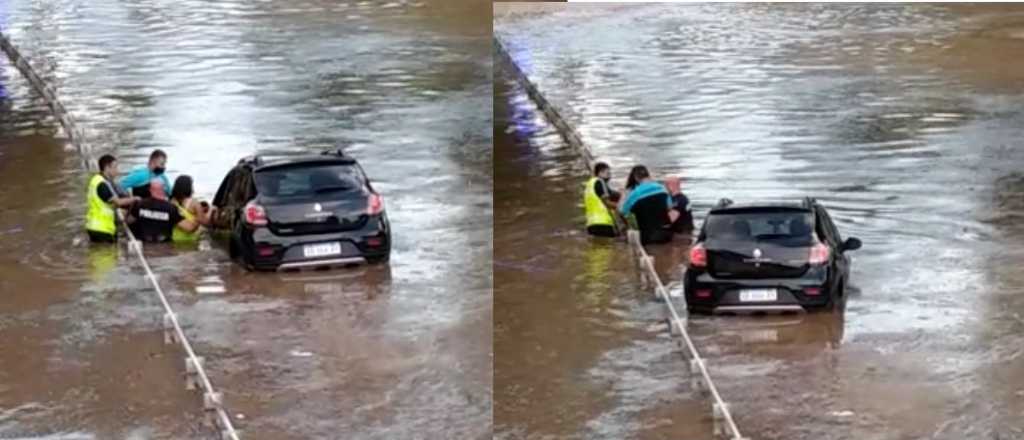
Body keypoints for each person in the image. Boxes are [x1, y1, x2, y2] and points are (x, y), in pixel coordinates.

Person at [619, 165, 683, 245]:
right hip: (666, 233)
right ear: (648, 175)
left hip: (647, 236)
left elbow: (622, 212)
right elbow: (670, 208)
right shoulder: (662, 189)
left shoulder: (635, 194)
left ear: (636, 177)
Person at [85, 154, 140, 243]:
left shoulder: (97, 180)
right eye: (115, 167)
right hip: (102, 229)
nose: (117, 171)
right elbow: (118, 202)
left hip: (94, 226)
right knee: (107, 256)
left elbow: (107, 204)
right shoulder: (102, 184)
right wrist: (134, 199)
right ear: (107, 168)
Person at [128, 178, 188, 243]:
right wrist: (198, 217)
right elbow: (188, 228)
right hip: (164, 246)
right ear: (164, 189)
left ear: (150, 189)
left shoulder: (139, 204)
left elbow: (128, 221)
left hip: (144, 245)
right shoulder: (171, 208)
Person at [170, 175, 214, 242]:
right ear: (188, 187)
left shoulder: (171, 202)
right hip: (190, 240)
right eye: (192, 185)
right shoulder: (193, 203)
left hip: (175, 239)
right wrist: (211, 210)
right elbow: (205, 222)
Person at [583, 162, 621, 237]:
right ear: (600, 173)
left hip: (591, 224)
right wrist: (622, 207)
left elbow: (613, 194)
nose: (610, 176)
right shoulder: (600, 181)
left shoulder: (590, 185)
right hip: (604, 223)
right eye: (608, 173)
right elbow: (607, 203)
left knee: (599, 248)